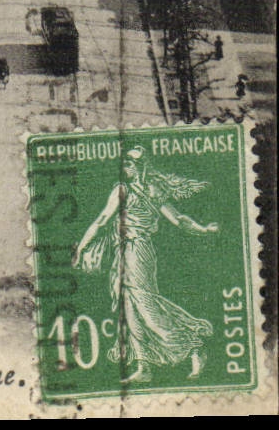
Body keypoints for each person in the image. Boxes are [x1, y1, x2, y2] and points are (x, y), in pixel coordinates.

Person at [72, 148, 217, 383]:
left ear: (140, 166)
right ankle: (144, 364)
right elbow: (101, 221)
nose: (125, 167)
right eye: (125, 163)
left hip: (138, 250)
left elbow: (178, 219)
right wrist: (81, 247)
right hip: (125, 251)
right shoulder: (124, 189)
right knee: (129, 307)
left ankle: (193, 345)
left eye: (129, 163)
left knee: (145, 305)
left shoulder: (148, 191)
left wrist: (203, 229)